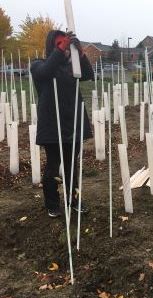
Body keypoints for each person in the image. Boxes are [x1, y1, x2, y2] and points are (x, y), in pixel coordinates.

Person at [31, 30, 94, 218]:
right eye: (60, 44)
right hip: (52, 125)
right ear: (52, 46)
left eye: (66, 44)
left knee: (71, 165)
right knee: (53, 166)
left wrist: (80, 54)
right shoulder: (38, 65)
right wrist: (62, 50)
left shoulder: (70, 67)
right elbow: (45, 72)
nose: (64, 47)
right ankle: (52, 203)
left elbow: (88, 74)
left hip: (72, 123)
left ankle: (73, 200)